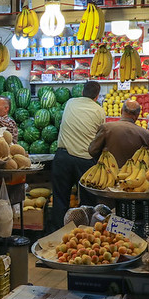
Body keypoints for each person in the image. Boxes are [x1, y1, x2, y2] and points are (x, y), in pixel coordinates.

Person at [50, 81, 105, 231]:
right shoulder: (99, 111)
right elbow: (100, 136)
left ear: (82, 92)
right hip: (85, 160)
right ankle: (86, 234)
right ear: (97, 96)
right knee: (87, 202)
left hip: (63, 157)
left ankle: (58, 235)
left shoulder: (70, 103)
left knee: (60, 199)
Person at [89, 99, 149, 168]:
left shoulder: (106, 128)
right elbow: (148, 159)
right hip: (133, 174)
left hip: (108, 172)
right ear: (137, 115)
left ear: (121, 111)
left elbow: (92, 151)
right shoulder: (145, 134)